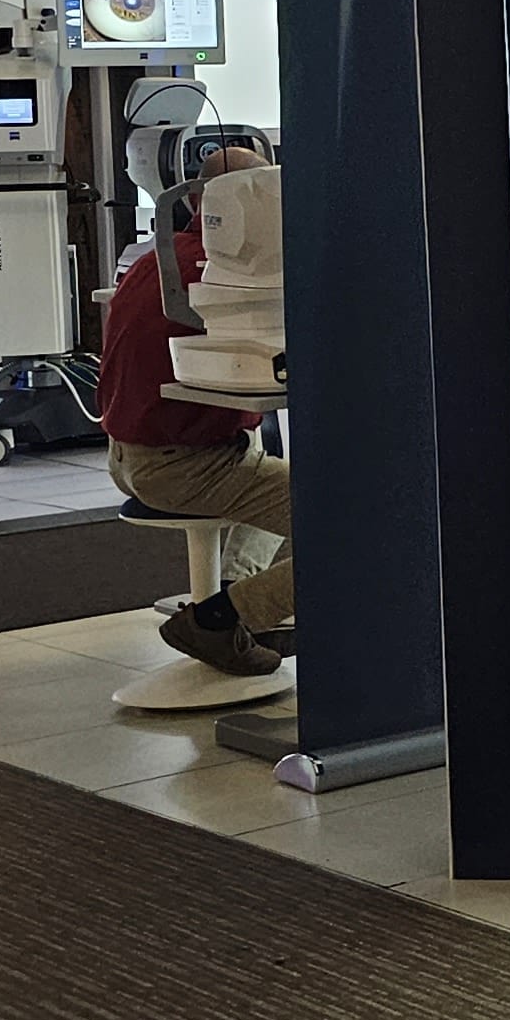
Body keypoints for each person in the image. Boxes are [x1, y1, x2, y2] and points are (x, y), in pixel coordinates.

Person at [99, 150, 292, 675]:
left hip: (130, 453)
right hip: (184, 464)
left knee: (297, 479)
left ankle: (241, 592)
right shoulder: (216, 274)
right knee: (349, 523)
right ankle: (222, 619)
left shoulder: (156, 259)